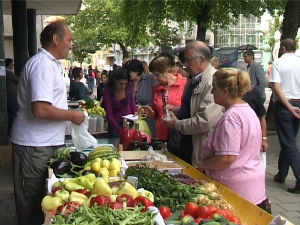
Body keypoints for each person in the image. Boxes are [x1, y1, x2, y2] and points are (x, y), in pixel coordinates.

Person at [10, 21, 85, 225]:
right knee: (32, 206)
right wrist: (72, 115)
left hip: (45, 145)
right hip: (34, 148)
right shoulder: (42, 65)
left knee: (44, 204)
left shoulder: (50, 64)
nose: (71, 45)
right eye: (69, 40)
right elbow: (40, 109)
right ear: (56, 39)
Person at [198, 68, 270, 213]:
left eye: (214, 87)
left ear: (225, 91)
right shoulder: (247, 110)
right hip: (252, 186)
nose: (212, 92)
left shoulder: (231, 117)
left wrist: (203, 164)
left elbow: (227, 158)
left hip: (236, 189)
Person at [163, 41, 223, 166]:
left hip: (200, 147)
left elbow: (205, 121)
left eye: (189, 60)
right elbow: (193, 107)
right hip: (187, 143)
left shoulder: (211, 81)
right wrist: (177, 109)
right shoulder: (194, 78)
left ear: (202, 60)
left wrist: (177, 124)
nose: (185, 64)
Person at [269, 38, 300, 194]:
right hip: (298, 103)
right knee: (289, 141)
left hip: (285, 105)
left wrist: (289, 106)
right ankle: (281, 174)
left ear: (282, 48)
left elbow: (277, 88)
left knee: (289, 144)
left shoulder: (278, 63)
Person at [143, 53, 187, 142]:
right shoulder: (156, 88)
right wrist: (151, 113)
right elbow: (156, 113)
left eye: (157, 74)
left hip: (180, 136)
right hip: (161, 136)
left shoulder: (184, 84)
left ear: (167, 70)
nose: (155, 78)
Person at [103, 68, 138, 138]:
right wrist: (120, 131)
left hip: (129, 122)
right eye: (120, 84)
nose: (123, 86)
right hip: (115, 124)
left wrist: (135, 111)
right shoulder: (107, 91)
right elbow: (109, 114)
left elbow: (131, 101)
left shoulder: (129, 87)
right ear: (114, 81)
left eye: (125, 83)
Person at [124, 59, 155, 136]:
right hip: (131, 121)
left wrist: (145, 107)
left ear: (137, 71)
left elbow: (156, 98)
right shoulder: (127, 83)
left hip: (148, 120)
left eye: (130, 72)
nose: (128, 74)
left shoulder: (150, 79)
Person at [5, 58, 19, 134]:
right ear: (8, 65)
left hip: (11, 94)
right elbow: (18, 80)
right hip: (12, 94)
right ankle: (12, 129)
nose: (13, 66)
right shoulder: (9, 73)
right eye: (11, 64)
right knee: (13, 111)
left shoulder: (8, 72)